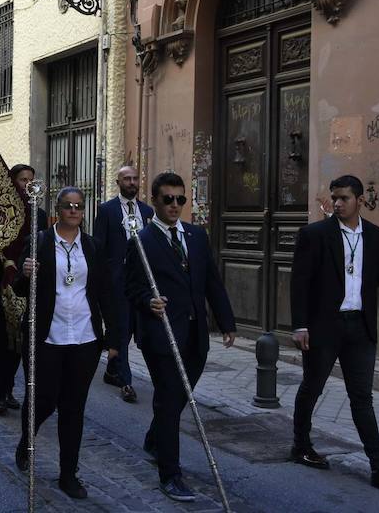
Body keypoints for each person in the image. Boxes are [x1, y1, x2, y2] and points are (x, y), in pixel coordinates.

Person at [290, 174, 379, 493]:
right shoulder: (315, 234)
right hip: (323, 328)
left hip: (360, 327)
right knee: (312, 388)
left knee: (362, 398)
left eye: (344, 198)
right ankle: (301, 445)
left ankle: (378, 466)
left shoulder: (373, 235)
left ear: (359, 200)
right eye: (334, 198)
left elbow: (376, 277)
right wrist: (300, 325)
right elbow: (300, 282)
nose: (337, 203)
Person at [125, 172, 236, 502]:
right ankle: (170, 474)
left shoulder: (196, 236)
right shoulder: (142, 241)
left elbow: (212, 282)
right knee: (170, 400)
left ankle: (155, 436)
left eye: (180, 199)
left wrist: (227, 322)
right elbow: (130, 287)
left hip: (195, 335)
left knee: (178, 398)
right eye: (168, 199)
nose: (175, 206)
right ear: (155, 202)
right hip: (162, 335)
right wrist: (148, 301)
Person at [14, 187, 118, 500]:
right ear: (58, 210)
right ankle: (26, 439)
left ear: (84, 211)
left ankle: (68, 474)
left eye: (79, 206)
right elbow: (20, 289)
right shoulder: (40, 242)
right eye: (68, 206)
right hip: (48, 336)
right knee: (44, 400)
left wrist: (113, 338)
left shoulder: (93, 246)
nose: (74, 210)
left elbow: (104, 293)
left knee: (74, 408)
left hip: (85, 338)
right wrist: (25, 273)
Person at [0, 164, 48, 415]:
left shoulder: (38, 215)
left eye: (32, 179)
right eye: (22, 180)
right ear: (13, 182)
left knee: (21, 339)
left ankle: (9, 390)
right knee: (4, 338)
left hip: (27, 286)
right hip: (0, 284)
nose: (27, 184)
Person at [94, 166, 155, 404]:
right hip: (117, 282)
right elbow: (99, 247)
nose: (131, 182)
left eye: (134, 178)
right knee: (121, 328)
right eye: (126, 179)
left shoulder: (148, 211)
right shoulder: (107, 211)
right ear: (118, 182)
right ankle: (126, 381)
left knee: (133, 330)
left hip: (142, 282)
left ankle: (111, 370)